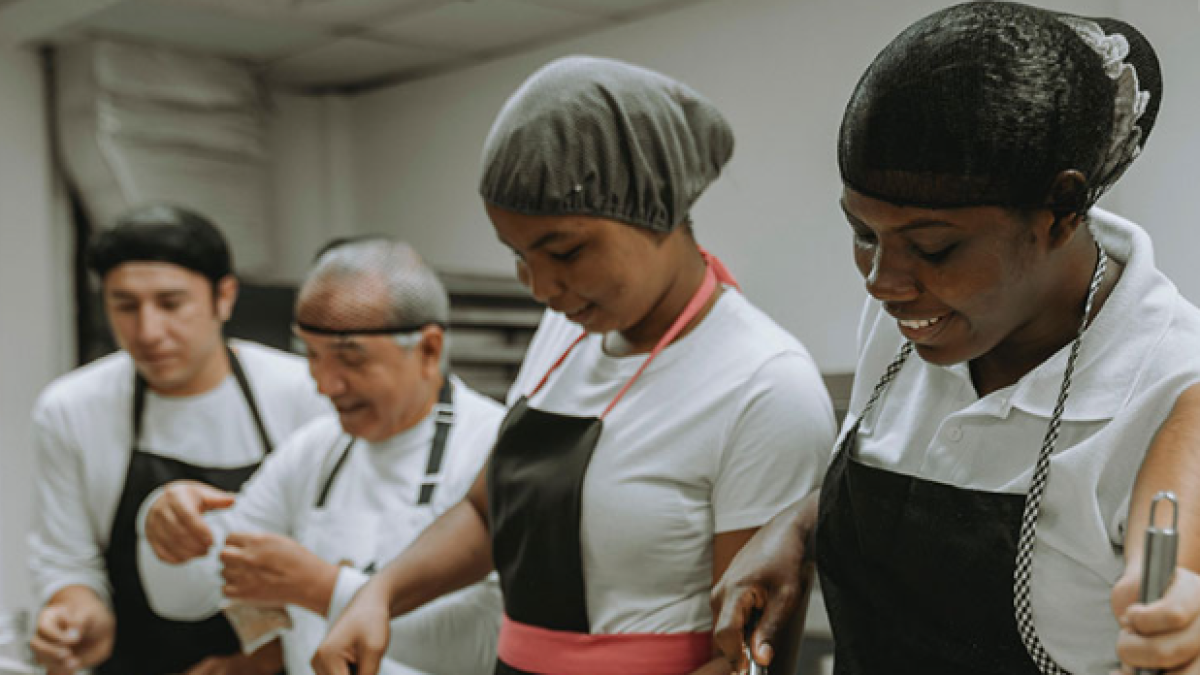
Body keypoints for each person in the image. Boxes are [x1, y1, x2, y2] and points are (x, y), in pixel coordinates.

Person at [710, 3, 1200, 674]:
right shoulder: (918, 318)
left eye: (934, 247)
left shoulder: (1169, 384)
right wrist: (795, 530)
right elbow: (904, 461)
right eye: (863, 234)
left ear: (1061, 209)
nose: (883, 283)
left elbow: (1177, 584)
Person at [310, 56, 837, 675]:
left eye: (565, 250)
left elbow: (753, 660)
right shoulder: (567, 330)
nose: (539, 286)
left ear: (657, 209)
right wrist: (380, 594)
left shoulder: (764, 385)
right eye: (518, 255)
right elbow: (487, 513)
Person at [136, 237, 506, 675]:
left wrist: (324, 589)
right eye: (313, 356)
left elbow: (489, 646)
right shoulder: (314, 451)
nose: (326, 385)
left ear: (428, 350)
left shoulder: (493, 449)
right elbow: (185, 599)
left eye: (351, 359)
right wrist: (165, 531)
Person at [28, 205, 329, 675]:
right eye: (124, 306)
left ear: (223, 297)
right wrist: (76, 613)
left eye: (170, 304)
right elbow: (70, 559)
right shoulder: (72, 408)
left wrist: (263, 660)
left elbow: (341, 554)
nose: (148, 331)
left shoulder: (303, 395)